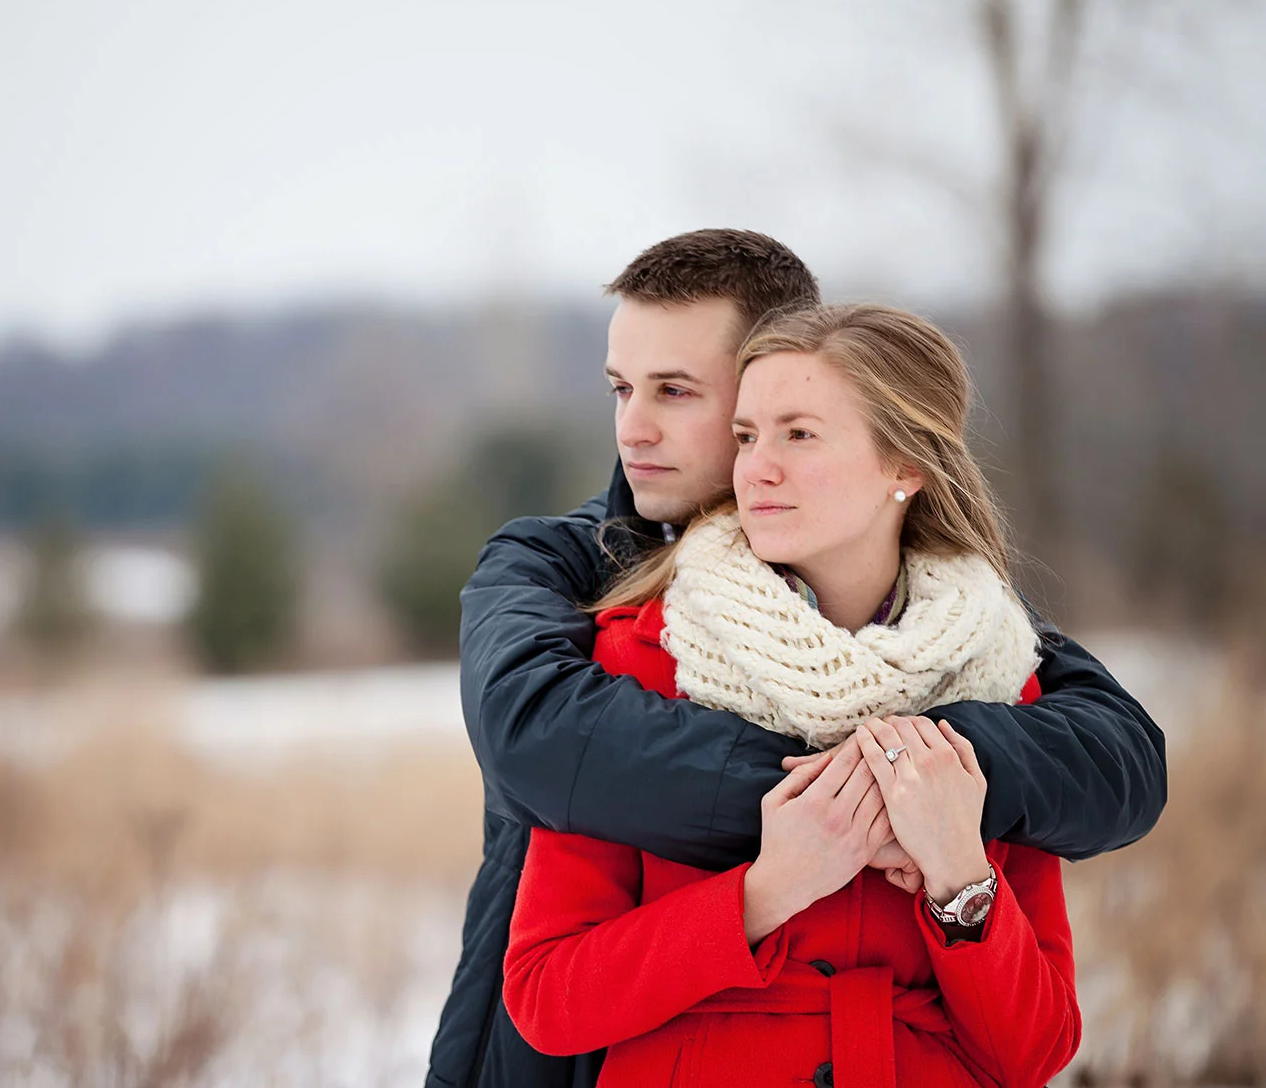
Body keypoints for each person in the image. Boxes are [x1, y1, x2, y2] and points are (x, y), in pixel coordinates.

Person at [424, 230, 1166, 1088]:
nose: (632, 427)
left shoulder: (987, 658)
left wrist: (956, 864)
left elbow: (1118, 761)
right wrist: (813, 841)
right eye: (621, 388)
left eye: (674, 389)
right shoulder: (603, 620)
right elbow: (532, 734)